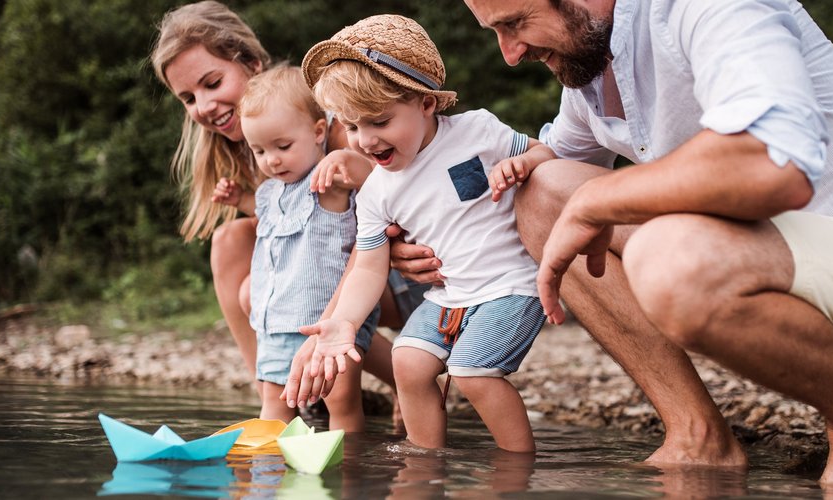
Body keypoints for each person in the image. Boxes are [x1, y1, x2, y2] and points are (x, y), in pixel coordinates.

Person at [441, 0, 833, 490]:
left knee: (670, 255)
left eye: (513, 23)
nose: (510, 54)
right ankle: (698, 437)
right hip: (771, 260)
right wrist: (433, 250)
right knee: (542, 196)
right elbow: (551, 165)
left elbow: (772, 161)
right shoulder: (591, 67)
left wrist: (599, 201)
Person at [292, 14, 555, 453]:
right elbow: (369, 269)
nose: (365, 140)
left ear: (426, 104)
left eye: (379, 121)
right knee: (407, 362)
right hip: (448, 296)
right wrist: (344, 322)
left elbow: (546, 154)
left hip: (510, 285)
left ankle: (517, 466)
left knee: (473, 373)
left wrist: (525, 164)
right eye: (352, 126)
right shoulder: (376, 191)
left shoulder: (477, 132)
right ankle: (425, 461)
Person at [150, 1, 425, 408]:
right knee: (232, 242)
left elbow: (368, 235)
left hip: (405, 273)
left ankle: (319, 383)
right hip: (342, 279)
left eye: (212, 83)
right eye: (188, 98)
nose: (203, 106)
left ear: (253, 63)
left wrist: (323, 336)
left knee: (291, 299)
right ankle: (273, 388)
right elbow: (293, 225)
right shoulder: (255, 150)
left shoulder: (334, 130)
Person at [216, 64, 377, 427]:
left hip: (325, 321)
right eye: (258, 151)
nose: (271, 160)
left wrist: (346, 158)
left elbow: (374, 180)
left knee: (342, 405)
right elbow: (272, 218)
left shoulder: (329, 181)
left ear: (319, 132)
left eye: (282, 146)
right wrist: (240, 198)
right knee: (275, 404)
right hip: (274, 323)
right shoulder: (270, 191)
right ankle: (269, 475)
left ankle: (348, 469)